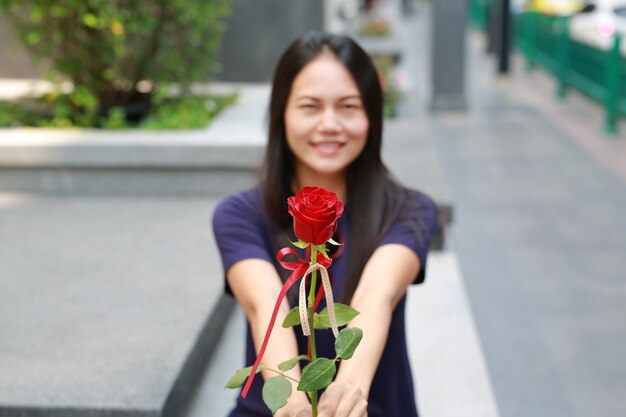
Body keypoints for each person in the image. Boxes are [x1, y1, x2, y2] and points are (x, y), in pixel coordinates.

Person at [213, 31, 439, 417]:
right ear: (281, 113)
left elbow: (376, 294)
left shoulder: (410, 210)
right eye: (310, 106)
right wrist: (293, 401)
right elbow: (265, 302)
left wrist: (347, 391)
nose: (330, 124)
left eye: (348, 106)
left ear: (371, 115)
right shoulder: (239, 215)